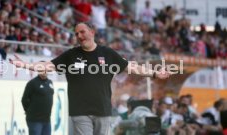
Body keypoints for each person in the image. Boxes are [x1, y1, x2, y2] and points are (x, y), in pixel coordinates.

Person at [10, 22, 171, 135]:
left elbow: (133, 67)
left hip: (103, 110)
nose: (79, 36)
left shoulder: (107, 53)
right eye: (76, 34)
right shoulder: (71, 55)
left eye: (82, 32)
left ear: (92, 32)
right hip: (80, 111)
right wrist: (24, 65)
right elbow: (46, 66)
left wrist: (155, 73)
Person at [21, 71, 54, 135]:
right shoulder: (32, 83)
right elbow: (24, 100)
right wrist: (28, 111)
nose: (44, 72)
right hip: (35, 120)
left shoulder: (50, 82)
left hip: (47, 120)